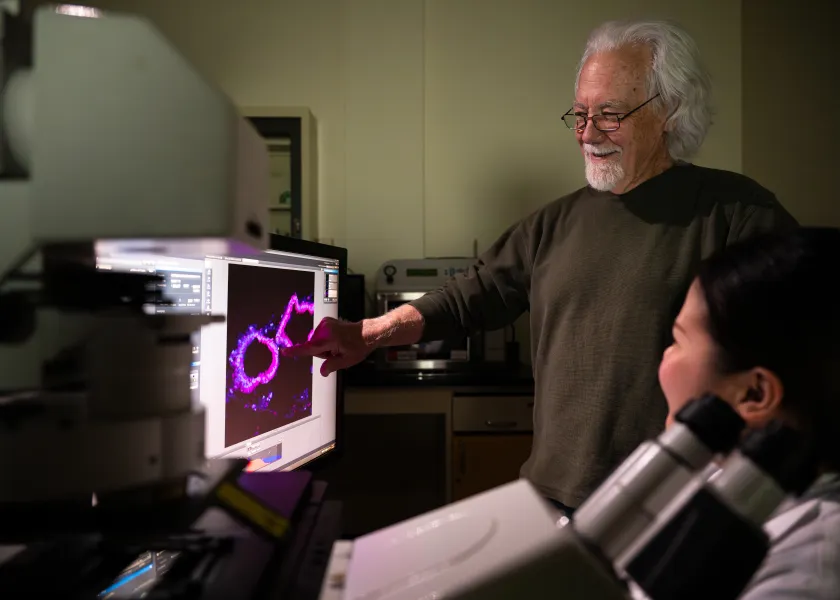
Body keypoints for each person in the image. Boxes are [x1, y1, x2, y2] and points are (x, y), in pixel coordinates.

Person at [283, 20, 798, 513]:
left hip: (671, 504)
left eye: (609, 114)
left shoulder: (736, 215)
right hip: (552, 496)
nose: (587, 133)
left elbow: (796, 358)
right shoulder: (553, 224)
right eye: (579, 114)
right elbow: (468, 297)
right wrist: (370, 332)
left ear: (669, 111)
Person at [656, 227, 840, 599]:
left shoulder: (807, 571)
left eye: (677, 340)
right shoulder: (726, 485)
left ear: (754, 393)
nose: (664, 357)